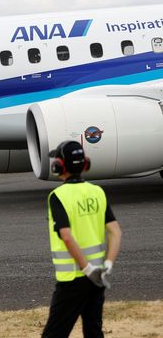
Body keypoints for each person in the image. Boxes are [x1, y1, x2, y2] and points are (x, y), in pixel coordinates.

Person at [42, 140, 122, 338]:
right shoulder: (97, 192)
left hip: (73, 278)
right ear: (85, 164)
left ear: (59, 166)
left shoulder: (58, 196)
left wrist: (86, 269)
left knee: (54, 333)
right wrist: (108, 265)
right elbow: (116, 232)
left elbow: (67, 237)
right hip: (98, 278)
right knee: (93, 331)